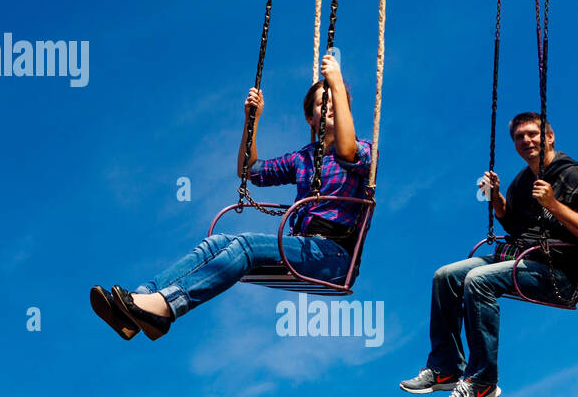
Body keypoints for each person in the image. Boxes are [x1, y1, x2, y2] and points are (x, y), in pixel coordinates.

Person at [90, 55, 373, 341]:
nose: (329, 106)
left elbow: (347, 151)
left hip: (333, 256)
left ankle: (166, 307)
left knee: (246, 245)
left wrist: (336, 80)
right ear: (310, 118)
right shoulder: (302, 159)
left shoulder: (362, 149)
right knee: (216, 242)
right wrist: (252, 121)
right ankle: (139, 301)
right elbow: (249, 170)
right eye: (321, 103)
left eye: (335, 100)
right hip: (301, 248)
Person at [399, 112, 578, 397]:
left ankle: (482, 381)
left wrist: (554, 205)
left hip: (561, 274)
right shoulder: (522, 182)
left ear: (549, 137)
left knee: (478, 280)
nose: (526, 140)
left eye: (533, 134)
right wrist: (496, 198)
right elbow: (514, 226)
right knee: (444, 276)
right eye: (519, 137)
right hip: (522, 258)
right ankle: (445, 367)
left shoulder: (577, 176)